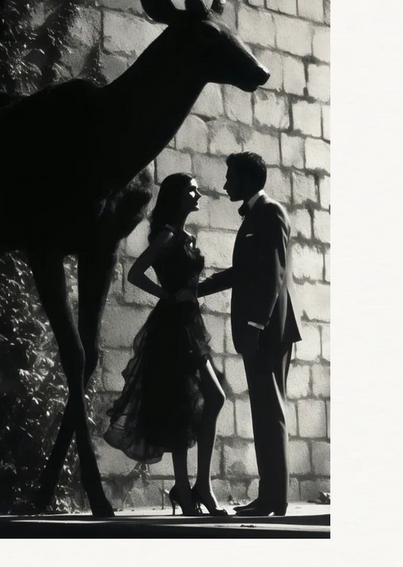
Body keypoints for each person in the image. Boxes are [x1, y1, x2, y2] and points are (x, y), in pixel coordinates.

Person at [103, 173, 228, 515]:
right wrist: (168, 295)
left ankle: (195, 487)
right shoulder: (168, 235)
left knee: (202, 400)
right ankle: (189, 489)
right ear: (176, 197)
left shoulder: (184, 236)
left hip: (188, 322)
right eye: (192, 188)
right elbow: (135, 272)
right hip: (173, 324)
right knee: (187, 403)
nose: (198, 192)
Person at [197, 151, 302, 517]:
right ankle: (270, 498)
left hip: (268, 331)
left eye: (230, 177)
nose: (226, 184)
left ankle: (273, 500)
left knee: (270, 413)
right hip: (262, 330)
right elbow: (243, 271)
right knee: (264, 413)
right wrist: (197, 288)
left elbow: (272, 274)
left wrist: (256, 325)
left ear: (248, 179)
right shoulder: (259, 214)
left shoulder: (269, 212)